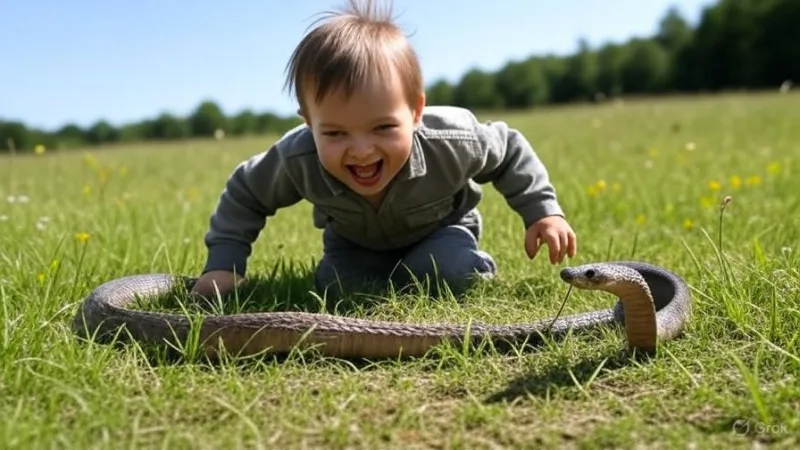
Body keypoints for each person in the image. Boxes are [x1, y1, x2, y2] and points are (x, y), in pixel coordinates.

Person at [190, 0, 577, 303]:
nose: (361, 150)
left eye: (383, 127)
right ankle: (379, 274)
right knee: (338, 292)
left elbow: (508, 149)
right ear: (309, 122)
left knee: (450, 273)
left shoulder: (452, 140)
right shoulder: (298, 158)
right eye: (336, 133)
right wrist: (225, 266)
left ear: (415, 112)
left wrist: (543, 213)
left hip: (439, 232)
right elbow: (247, 192)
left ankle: (450, 266)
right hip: (354, 246)